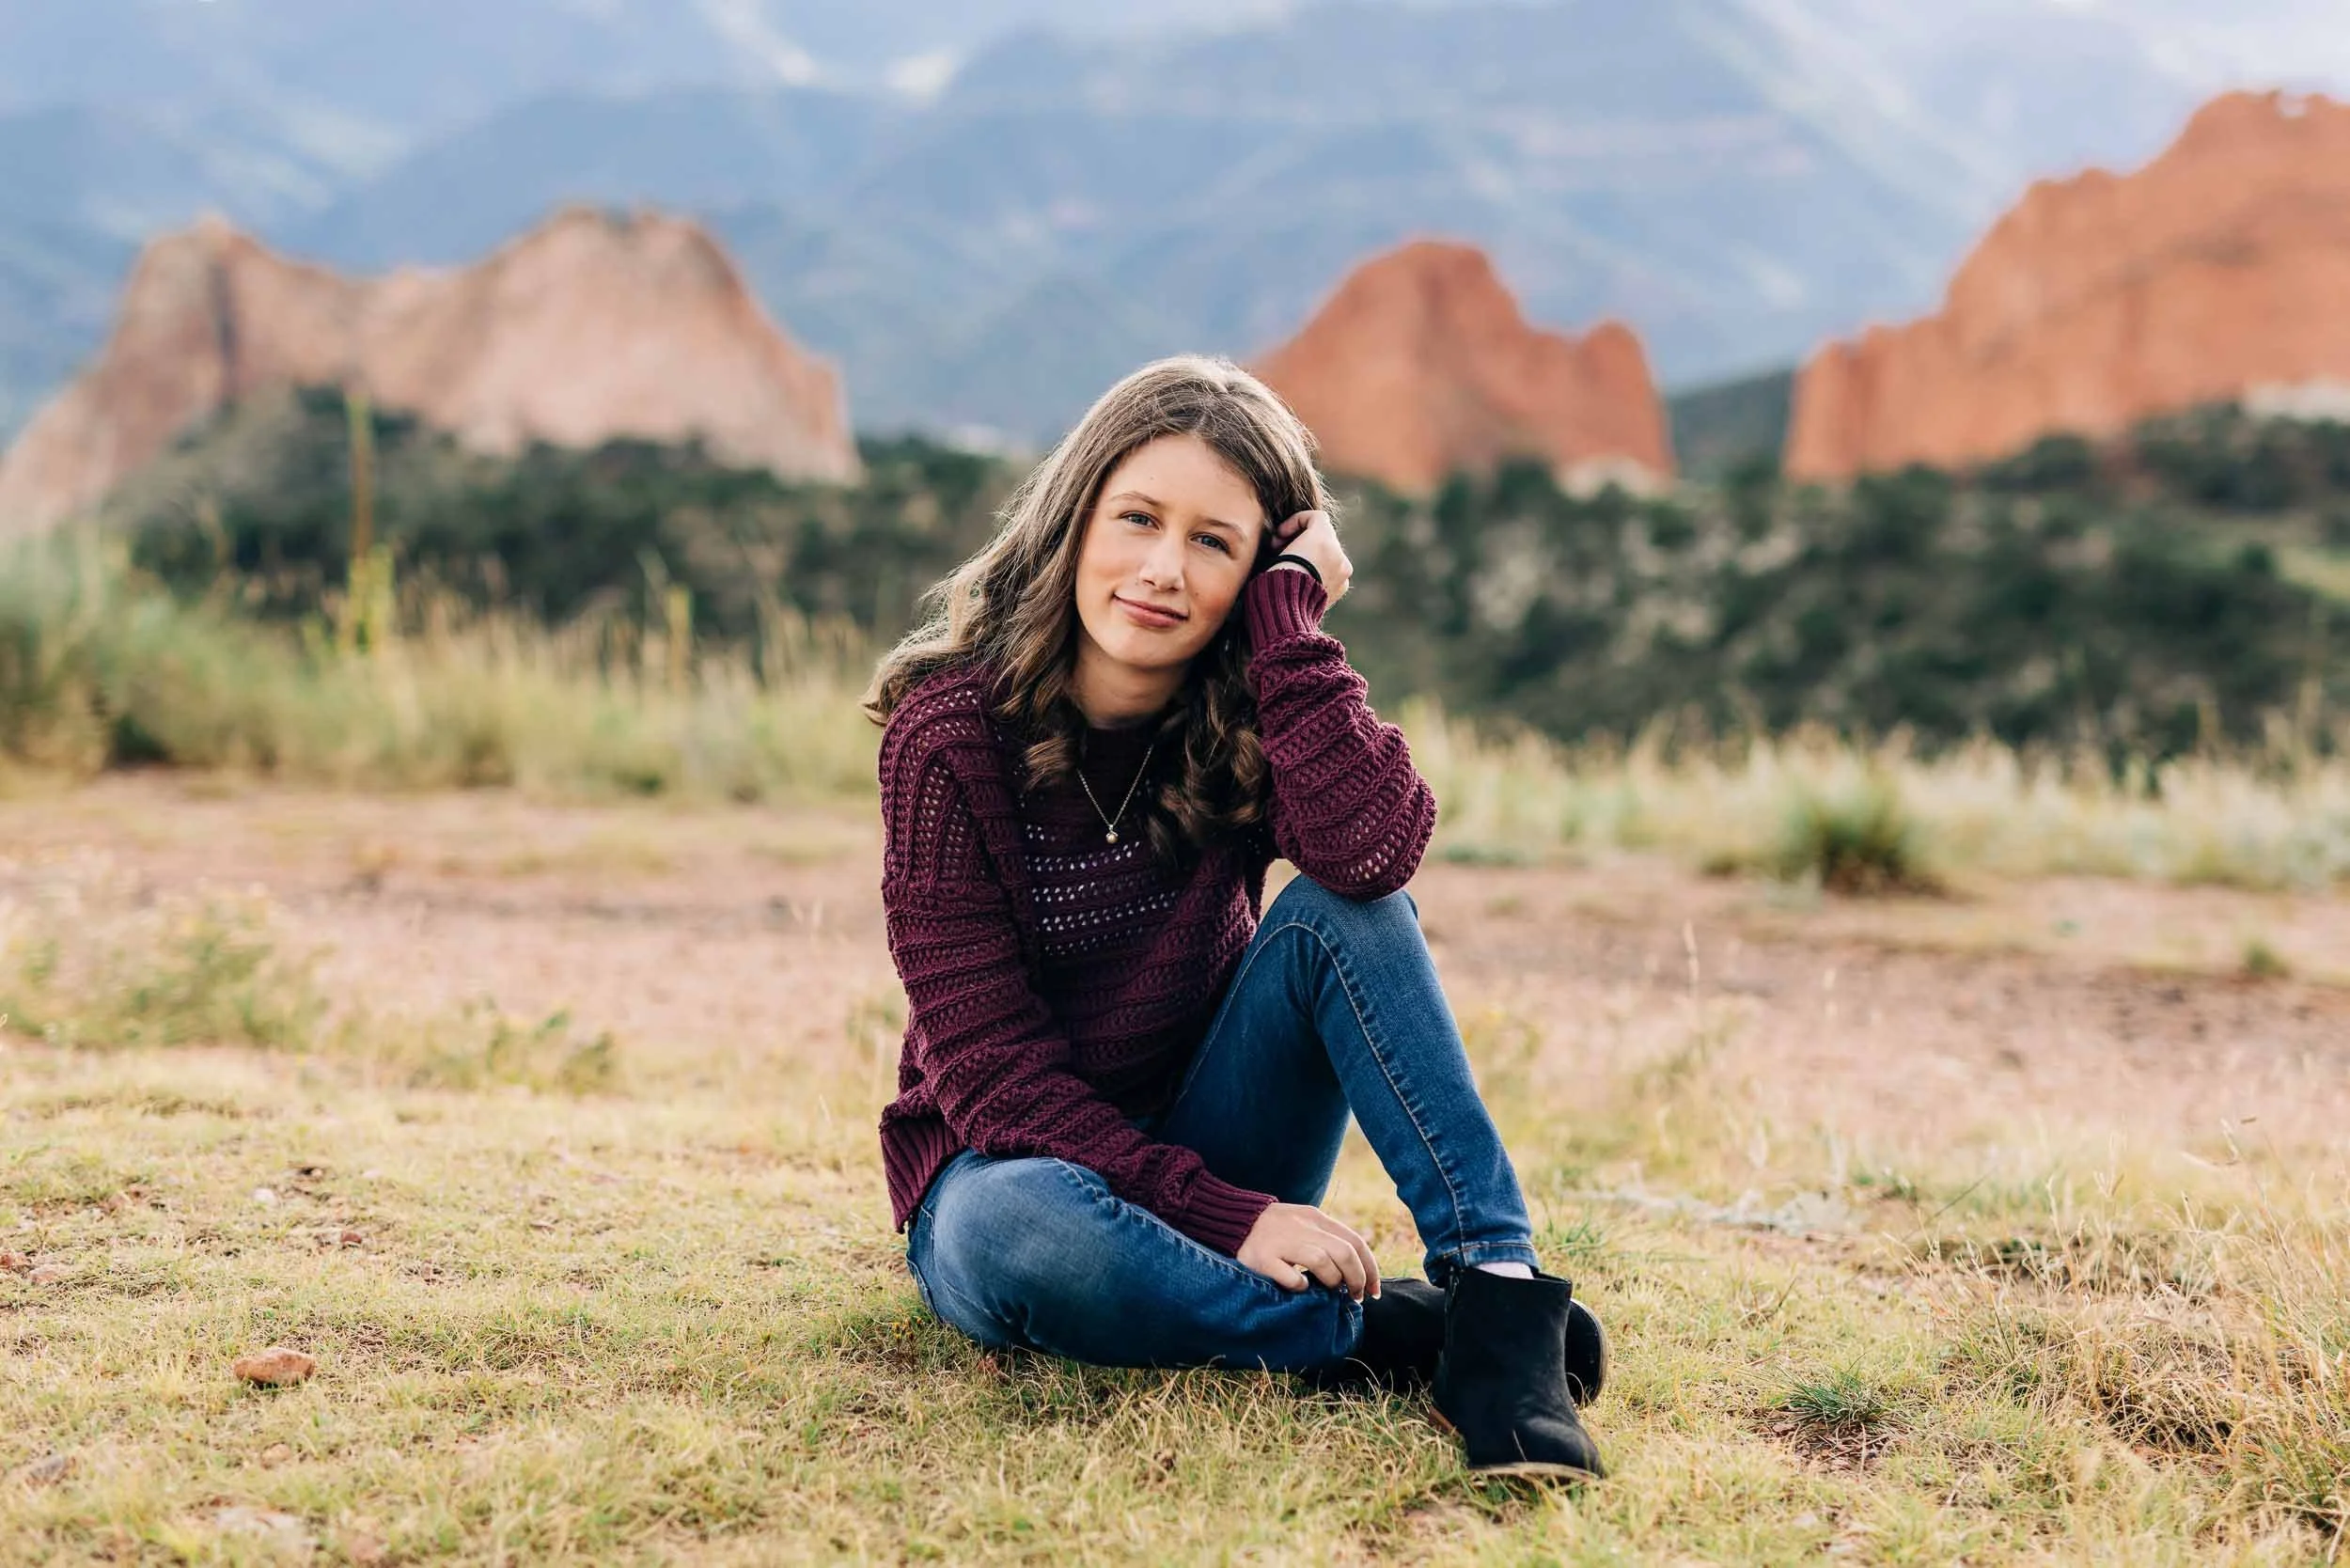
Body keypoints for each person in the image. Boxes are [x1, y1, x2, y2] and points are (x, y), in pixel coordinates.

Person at [859, 354, 1606, 1480]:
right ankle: (1380, 1341)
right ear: (1075, 521)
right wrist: (1228, 1221)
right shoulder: (948, 735)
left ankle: (1495, 1295)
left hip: (1218, 1134)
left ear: (1261, 568)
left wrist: (1290, 634)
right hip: (1011, 1169)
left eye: (1214, 542)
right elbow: (990, 1076)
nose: (1162, 570)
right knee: (1017, 1231)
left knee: (1343, 917)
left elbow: (1371, 855)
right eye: (1139, 519)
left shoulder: (1256, 708)